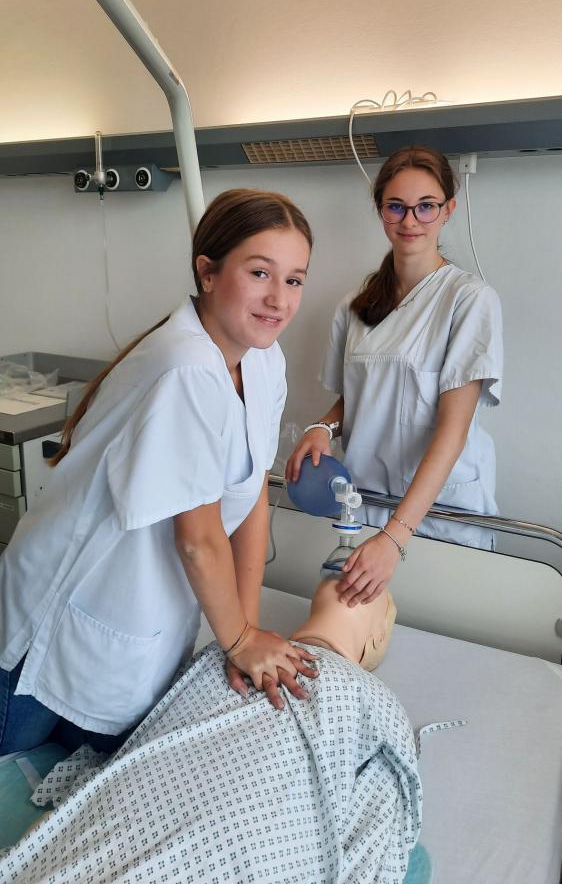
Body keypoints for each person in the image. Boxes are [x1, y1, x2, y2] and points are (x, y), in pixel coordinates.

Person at [0, 188, 319, 757]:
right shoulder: (186, 367)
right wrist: (240, 639)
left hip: (133, 632)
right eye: (260, 273)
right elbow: (197, 539)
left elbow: (252, 495)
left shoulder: (264, 362)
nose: (279, 298)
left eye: (294, 280)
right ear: (208, 272)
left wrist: (244, 630)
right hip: (52, 630)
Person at [2, 581, 418, 884]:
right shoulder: (235, 650)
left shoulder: (232, 651)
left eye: (368, 590)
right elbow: (385, 807)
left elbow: (158, 727)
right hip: (196, 808)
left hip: (206, 809)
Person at [287, 146, 503, 608]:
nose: (410, 220)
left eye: (426, 206)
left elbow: (453, 429)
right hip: (366, 508)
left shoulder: (469, 301)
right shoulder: (355, 307)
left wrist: (395, 536)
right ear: (380, 210)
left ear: (448, 209)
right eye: (397, 207)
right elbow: (356, 398)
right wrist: (322, 427)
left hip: (439, 515)